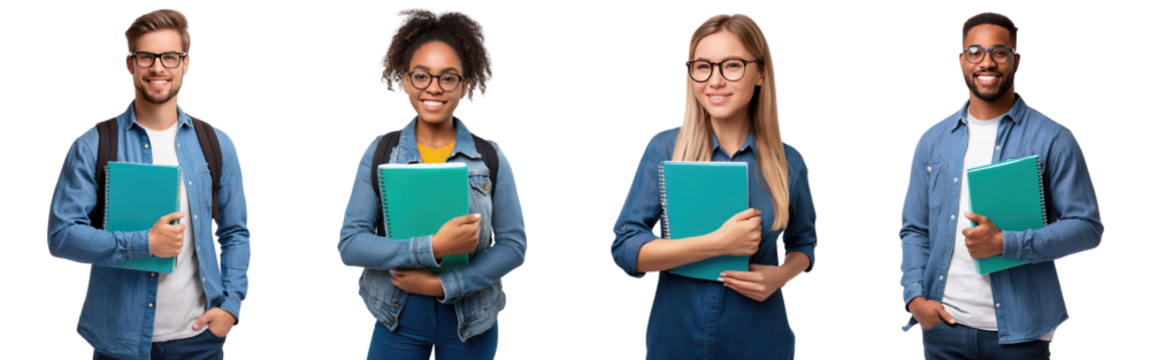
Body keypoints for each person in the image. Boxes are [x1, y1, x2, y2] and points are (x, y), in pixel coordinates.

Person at [44, 7, 251, 360]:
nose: (158, 68)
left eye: (170, 57)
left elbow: (236, 232)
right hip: (118, 341)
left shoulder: (217, 143)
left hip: (200, 338)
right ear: (130, 64)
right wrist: (143, 243)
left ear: (186, 64)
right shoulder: (93, 144)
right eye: (146, 57)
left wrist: (231, 307)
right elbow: (61, 237)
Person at [609, 12, 817, 359]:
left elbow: (805, 243)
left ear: (760, 73)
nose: (715, 80)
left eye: (732, 65)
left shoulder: (789, 161)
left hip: (761, 338)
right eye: (703, 66)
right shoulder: (664, 149)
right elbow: (625, 249)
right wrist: (717, 243)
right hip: (676, 337)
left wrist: (780, 275)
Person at [897, 11, 1104, 359]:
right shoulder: (932, 140)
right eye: (975, 52)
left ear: (1016, 60)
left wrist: (1007, 243)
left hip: (1021, 336)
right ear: (961, 60)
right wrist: (914, 297)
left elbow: (1087, 228)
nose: (987, 62)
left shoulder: (1054, 138)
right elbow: (915, 229)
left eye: (999, 52)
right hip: (943, 330)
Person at [335, 7, 525, 360]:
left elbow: (513, 246)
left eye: (448, 77)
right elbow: (350, 245)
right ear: (405, 80)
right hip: (396, 317)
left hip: (472, 320)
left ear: (465, 84)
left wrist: (441, 284)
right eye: (421, 76)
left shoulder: (491, 156)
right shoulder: (380, 151)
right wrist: (431, 247)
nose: (433, 88)